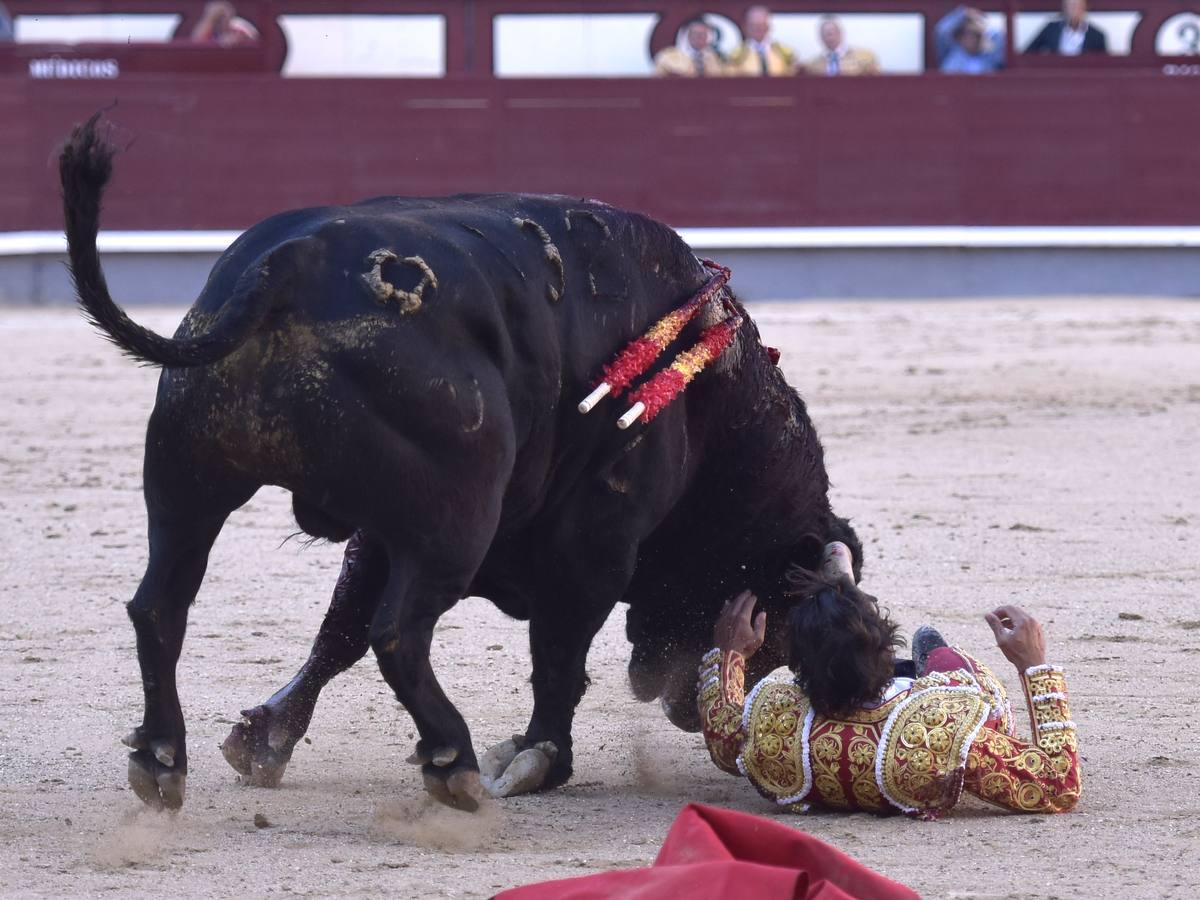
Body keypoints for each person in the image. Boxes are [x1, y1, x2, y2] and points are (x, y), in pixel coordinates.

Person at [698, 543, 1081, 818]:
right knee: (942, 655)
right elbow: (1058, 785)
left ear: (796, 668)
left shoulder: (772, 729)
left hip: (822, 724)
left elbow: (721, 733)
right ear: (885, 649)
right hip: (913, 719)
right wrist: (1034, 667)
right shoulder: (945, 730)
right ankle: (910, 670)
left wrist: (730, 654)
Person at [725, 6, 797, 77]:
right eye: (754, 25)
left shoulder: (785, 53)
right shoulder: (736, 55)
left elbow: (792, 77)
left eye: (762, 25)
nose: (759, 29)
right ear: (746, 27)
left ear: (768, 27)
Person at [804, 16, 881, 76]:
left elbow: (877, 83)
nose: (827, 38)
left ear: (840, 33)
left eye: (830, 33)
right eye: (823, 35)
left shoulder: (865, 57)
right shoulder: (812, 64)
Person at [937, 6, 1005, 73]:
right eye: (964, 35)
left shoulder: (989, 56)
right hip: (955, 84)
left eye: (973, 35)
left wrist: (981, 23)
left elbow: (998, 36)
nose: (969, 39)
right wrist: (963, 14)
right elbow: (941, 30)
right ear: (959, 38)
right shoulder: (952, 54)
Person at [1026, 0, 1108, 55]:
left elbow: (1104, 66)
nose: (1074, 10)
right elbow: (1028, 53)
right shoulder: (1051, 29)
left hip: (1084, 78)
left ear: (1085, 8)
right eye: (1070, 6)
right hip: (1056, 77)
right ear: (1064, 8)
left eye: (1077, 6)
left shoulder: (1097, 36)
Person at [654, 18, 725, 78]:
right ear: (689, 36)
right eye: (697, 34)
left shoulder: (713, 57)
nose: (700, 38)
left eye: (704, 35)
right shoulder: (668, 57)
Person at [190, 1, 260, 47]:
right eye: (217, 17)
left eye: (222, 15)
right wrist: (210, 18)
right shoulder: (210, 27)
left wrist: (237, 40)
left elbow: (255, 40)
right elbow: (195, 43)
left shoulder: (239, 25)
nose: (220, 20)